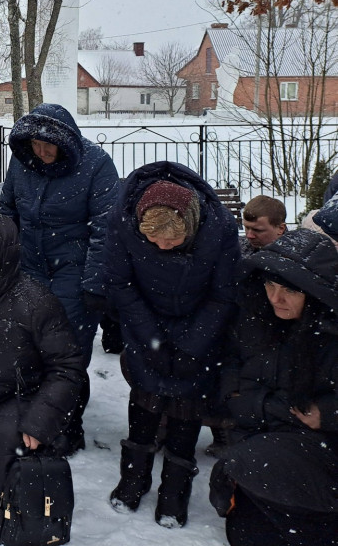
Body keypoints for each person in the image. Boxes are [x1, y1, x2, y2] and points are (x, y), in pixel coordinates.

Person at [96, 161, 239, 528]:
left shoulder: (218, 226)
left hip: (199, 321)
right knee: (145, 396)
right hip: (146, 319)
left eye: (171, 241)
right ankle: (134, 477)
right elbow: (119, 283)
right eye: (154, 241)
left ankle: (175, 489)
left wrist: (193, 344)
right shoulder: (123, 221)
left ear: (190, 227)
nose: (162, 246)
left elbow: (224, 294)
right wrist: (152, 338)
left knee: (186, 401)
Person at [0, 213, 86, 529]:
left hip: (15, 407)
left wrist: (39, 422)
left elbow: (67, 366)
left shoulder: (33, 301)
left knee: (9, 489)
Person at [0, 102, 120, 450]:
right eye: (35, 146)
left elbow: (105, 229)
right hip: (30, 266)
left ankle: (68, 423)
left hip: (74, 268)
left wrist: (94, 283)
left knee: (70, 350)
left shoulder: (96, 165)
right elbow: (8, 211)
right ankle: (35, 416)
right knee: (29, 344)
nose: (41, 153)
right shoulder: (23, 163)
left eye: (48, 146)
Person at [211, 229, 338, 546]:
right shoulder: (255, 317)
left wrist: (331, 414)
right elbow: (230, 361)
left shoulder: (330, 334)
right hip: (255, 433)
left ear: (315, 292)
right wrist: (237, 396)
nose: (275, 298)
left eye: (290, 291)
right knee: (247, 532)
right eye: (270, 285)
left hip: (314, 447)